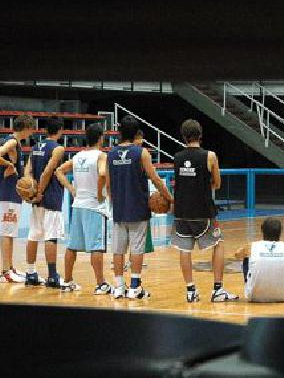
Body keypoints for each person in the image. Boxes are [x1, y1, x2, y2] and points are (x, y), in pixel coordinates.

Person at [105, 116, 174, 299]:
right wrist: (169, 198)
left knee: (118, 249)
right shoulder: (141, 153)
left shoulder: (110, 154)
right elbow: (155, 179)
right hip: (138, 207)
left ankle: (119, 287)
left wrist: (116, 202)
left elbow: (108, 185)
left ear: (120, 132)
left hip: (119, 209)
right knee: (137, 248)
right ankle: (135, 287)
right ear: (136, 133)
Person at [171, 119, 238, 303]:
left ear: (184, 136)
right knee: (219, 244)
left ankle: (191, 291)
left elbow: (179, 183)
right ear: (200, 135)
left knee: (184, 249)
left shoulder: (177, 157)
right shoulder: (210, 156)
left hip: (182, 211)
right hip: (203, 210)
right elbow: (217, 183)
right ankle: (217, 290)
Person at [54, 122, 112, 294]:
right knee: (96, 247)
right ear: (101, 138)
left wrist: (71, 189)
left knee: (72, 246)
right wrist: (101, 193)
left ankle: (67, 281)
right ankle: (101, 283)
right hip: (94, 206)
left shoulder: (78, 156)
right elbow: (102, 173)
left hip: (78, 205)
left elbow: (58, 171)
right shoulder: (101, 156)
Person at [0, 114, 36, 283]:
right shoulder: (13, 142)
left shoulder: (14, 142)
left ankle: (9, 268)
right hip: (8, 192)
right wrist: (9, 165)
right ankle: (5, 272)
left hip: (11, 192)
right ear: (26, 127)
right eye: (31, 130)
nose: (31, 133)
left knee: (10, 231)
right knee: (7, 231)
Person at [23, 119, 67, 288]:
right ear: (60, 130)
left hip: (37, 199)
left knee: (33, 234)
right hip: (50, 196)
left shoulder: (35, 147)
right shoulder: (58, 148)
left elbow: (28, 171)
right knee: (51, 237)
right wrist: (40, 191)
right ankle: (52, 276)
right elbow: (48, 171)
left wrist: (31, 191)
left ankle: (31, 272)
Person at [231, 218, 284, 303]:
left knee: (247, 258)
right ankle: (280, 288)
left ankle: (253, 287)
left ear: (262, 230)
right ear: (281, 231)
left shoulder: (252, 246)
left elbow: (237, 254)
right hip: (283, 296)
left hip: (253, 296)